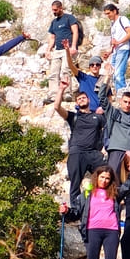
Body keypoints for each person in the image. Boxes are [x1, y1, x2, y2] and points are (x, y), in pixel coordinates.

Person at [60, 165, 130, 259]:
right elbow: (75, 214)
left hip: (111, 232)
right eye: (102, 177)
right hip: (92, 231)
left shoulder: (115, 193)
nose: (104, 181)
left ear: (111, 180)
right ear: (96, 177)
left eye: (107, 178)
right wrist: (66, 211)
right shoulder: (86, 194)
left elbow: (129, 184)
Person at [54, 77, 106, 206]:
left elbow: (108, 129)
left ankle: (102, 203)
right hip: (77, 153)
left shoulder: (97, 117)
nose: (81, 100)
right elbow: (56, 107)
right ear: (77, 103)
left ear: (88, 100)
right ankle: (76, 210)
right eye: (79, 99)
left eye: (83, 98)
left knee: (105, 176)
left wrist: (105, 148)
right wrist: (61, 89)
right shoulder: (73, 117)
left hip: (94, 153)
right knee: (75, 183)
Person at [45, 0, 80, 102]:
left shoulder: (69, 18)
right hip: (57, 50)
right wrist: (48, 50)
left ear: (61, 8)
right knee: (53, 72)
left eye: (55, 10)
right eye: (53, 10)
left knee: (65, 70)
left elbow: (75, 32)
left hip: (67, 50)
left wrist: (73, 46)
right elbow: (52, 37)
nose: (54, 12)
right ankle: (53, 95)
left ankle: (67, 93)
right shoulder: (54, 22)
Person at [63, 40, 110, 114]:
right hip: (83, 112)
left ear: (100, 66)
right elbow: (71, 66)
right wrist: (67, 51)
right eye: (92, 65)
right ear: (89, 67)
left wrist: (103, 108)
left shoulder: (103, 80)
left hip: (98, 114)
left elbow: (109, 98)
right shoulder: (83, 77)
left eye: (97, 65)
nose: (95, 66)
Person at [101, 4, 130, 94]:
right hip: (116, 51)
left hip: (123, 49)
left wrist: (118, 42)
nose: (108, 16)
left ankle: (123, 95)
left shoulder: (123, 19)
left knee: (119, 74)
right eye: (106, 14)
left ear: (114, 11)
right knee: (113, 75)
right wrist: (109, 52)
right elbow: (114, 41)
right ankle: (119, 94)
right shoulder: (113, 24)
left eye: (109, 13)